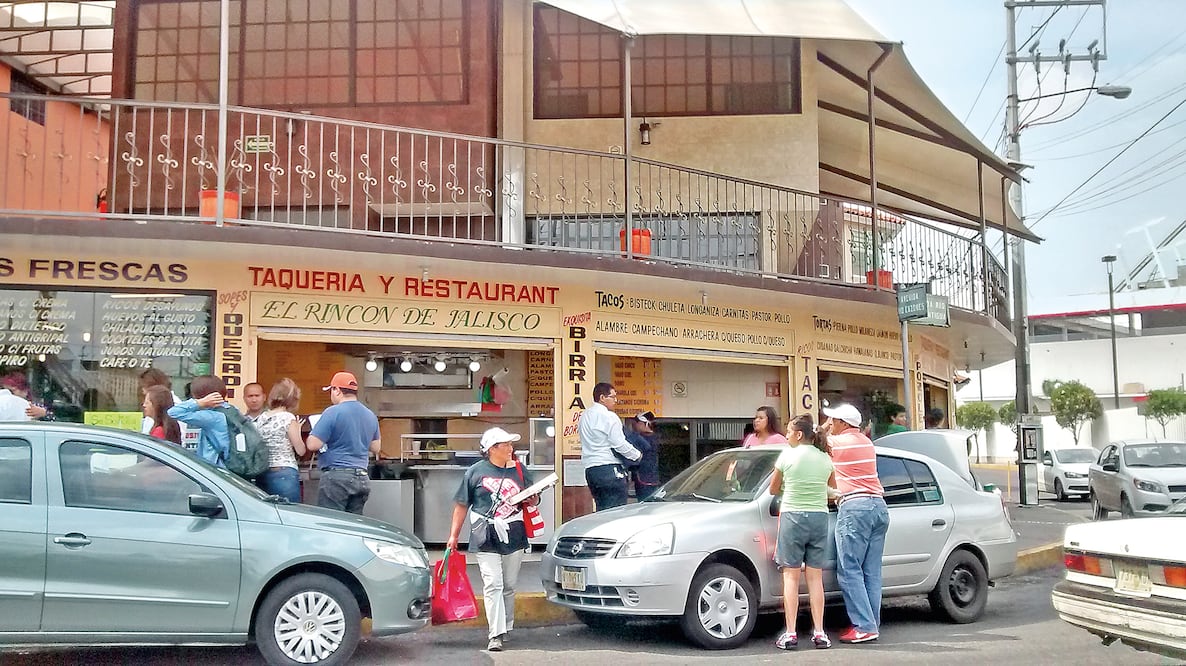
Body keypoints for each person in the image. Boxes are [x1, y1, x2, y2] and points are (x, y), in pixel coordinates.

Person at [445, 427, 536, 652]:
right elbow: (462, 505)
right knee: (493, 583)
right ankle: (495, 633)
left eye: (511, 444)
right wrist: (453, 535)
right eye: (506, 444)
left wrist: (533, 499)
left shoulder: (520, 470)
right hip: (484, 533)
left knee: (509, 585)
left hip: (514, 531)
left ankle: (506, 626)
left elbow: (533, 499)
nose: (511, 448)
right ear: (492, 449)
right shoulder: (475, 472)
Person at [768, 414, 835, 650]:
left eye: (788, 431)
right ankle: (820, 633)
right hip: (819, 517)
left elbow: (773, 488)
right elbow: (832, 488)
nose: (786, 435)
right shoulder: (825, 457)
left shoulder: (787, 455)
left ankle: (791, 633)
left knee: (791, 577)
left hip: (793, 516)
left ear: (798, 434)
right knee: (815, 577)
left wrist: (788, 486)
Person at [824, 402, 888, 644]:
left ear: (843, 423)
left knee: (849, 569)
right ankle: (871, 623)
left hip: (854, 507)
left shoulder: (837, 443)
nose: (830, 423)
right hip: (878, 506)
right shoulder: (866, 443)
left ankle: (864, 626)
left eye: (833, 420)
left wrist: (823, 428)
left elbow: (810, 441)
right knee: (871, 572)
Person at [306, 371, 380, 514]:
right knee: (353, 524)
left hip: (336, 478)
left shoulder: (332, 412)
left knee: (332, 522)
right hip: (362, 478)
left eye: (331, 390)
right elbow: (376, 447)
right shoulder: (370, 414)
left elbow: (313, 445)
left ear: (337, 390)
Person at [578, 382, 640, 511]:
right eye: (613, 397)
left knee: (601, 510)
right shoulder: (609, 416)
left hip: (591, 470)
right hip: (609, 468)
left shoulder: (584, 416)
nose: (615, 400)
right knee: (616, 511)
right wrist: (636, 455)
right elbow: (619, 444)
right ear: (602, 397)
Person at [254, 378, 306, 503]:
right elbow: (300, 450)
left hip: (263, 471)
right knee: (289, 512)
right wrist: (298, 430)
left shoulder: (261, 418)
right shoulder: (288, 418)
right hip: (284, 472)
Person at [167, 374, 233, 467]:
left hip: (213, 468)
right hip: (230, 468)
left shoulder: (212, 417)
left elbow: (173, 412)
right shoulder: (232, 410)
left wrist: (199, 402)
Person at [626, 411, 660, 500]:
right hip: (650, 478)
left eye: (635, 423)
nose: (634, 426)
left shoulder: (643, 439)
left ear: (642, 423)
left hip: (644, 478)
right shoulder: (654, 437)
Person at [139, 368, 183, 436]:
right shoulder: (151, 408)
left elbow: (178, 432)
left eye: (144, 387)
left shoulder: (175, 404)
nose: (143, 391)